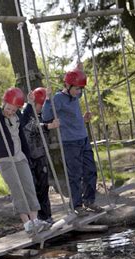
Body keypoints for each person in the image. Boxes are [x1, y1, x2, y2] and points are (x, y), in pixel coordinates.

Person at [0, 87, 49, 235]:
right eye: (9, 108)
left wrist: (30, 103)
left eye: (14, 109)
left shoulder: (17, 115)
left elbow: (25, 119)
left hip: (20, 157)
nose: (10, 111)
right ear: (4, 102)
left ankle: (35, 220)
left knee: (29, 186)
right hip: (5, 159)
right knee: (17, 189)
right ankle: (27, 224)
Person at [42, 65, 104, 216]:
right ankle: (76, 205)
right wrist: (48, 99)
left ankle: (89, 200)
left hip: (83, 139)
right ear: (68, 86)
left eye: (80, 89)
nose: (79, 92)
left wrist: (84, 119)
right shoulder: (58, 98)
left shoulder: (75, 95)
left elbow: (75, 81)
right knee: (75, 175)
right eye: (77, 89)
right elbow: (45, 116)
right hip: (70, 142)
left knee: (90, 171)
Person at [22, 87, 60, 225]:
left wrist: (49, 99)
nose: (42, 107)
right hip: (30, 158)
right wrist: (48, 126)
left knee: (44, 186)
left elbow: (50, 115)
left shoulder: (42, 114)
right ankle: (36, 219)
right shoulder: (26, 114)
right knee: (33, 188)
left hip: (42, 156)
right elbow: (32, 126)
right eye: (41, 104)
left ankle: (46, 216)